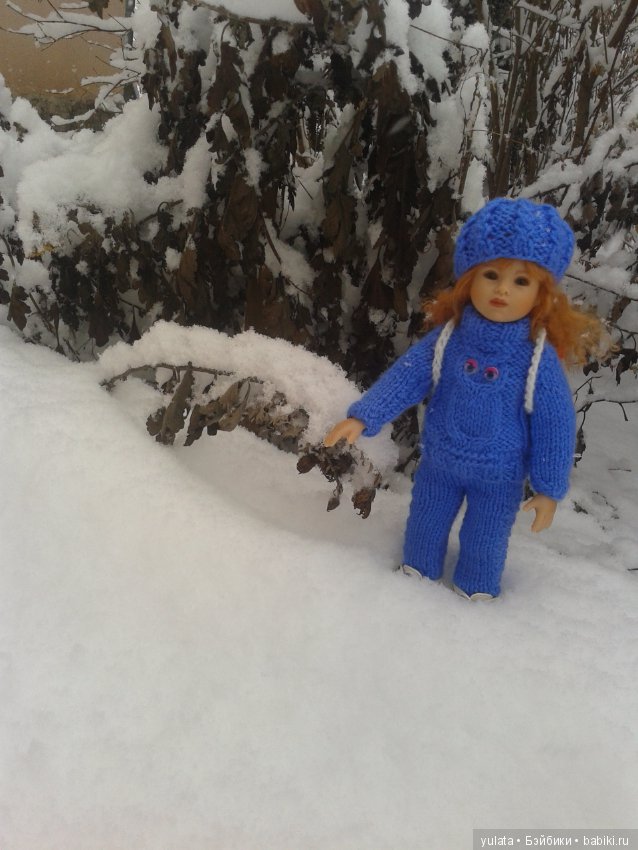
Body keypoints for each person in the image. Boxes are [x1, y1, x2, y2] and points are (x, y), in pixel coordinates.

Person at [324, 198, 605, 600]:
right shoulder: (450, 338)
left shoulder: (535, 356)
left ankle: (476, 591)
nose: (503, 290)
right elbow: (408, 377)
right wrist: (364, 416)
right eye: (491, 275)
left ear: (543, 294)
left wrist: (548, 487)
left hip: (501, 474)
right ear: (468, 278)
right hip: (440, 460)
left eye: (521, 282)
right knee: (426, 520)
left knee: (485, 537)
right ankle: (416, 575)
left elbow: (554, 421)